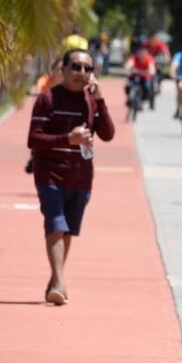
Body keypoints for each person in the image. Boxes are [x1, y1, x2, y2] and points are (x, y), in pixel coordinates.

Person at [27, 49, 115, 304]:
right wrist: (67, 139)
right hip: (50, 173)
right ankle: (59, 281)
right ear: (63, 69)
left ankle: (56, 279)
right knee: (56, 222)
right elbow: (33, 139)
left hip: (81, 175)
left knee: (67, 231)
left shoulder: (91, 101)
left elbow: (108, 134)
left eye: (88, 69)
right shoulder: (47, 99)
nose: (82, 73)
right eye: (76, 67)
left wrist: (100, 100)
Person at [124, 44, 157, 109]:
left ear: (146, 52)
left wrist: (150, 72)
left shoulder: (149, 58)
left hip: (145, 77)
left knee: (147, 87)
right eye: (139, 52)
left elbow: (152, 69)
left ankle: (142, 100)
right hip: (134, 76)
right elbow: (129, 64)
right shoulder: (134, 57)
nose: (141, 54)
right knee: (128, 86)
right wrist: (128, 68)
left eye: (142, 52)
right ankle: (130, 97)